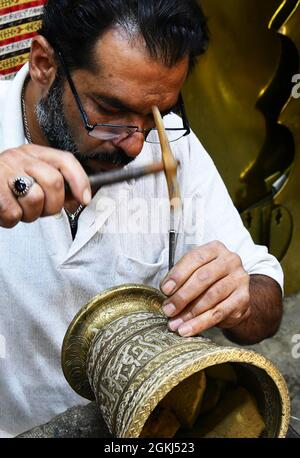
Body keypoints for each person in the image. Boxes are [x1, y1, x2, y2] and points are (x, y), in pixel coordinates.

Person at [0, 0, 283, 437]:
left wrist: (240, 297)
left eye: (154, 114)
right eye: (110, 111)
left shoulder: (171, 144)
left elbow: (267, 302)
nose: (135, 147)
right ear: (43, 63)